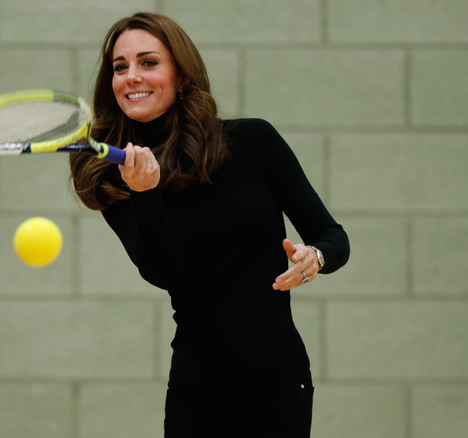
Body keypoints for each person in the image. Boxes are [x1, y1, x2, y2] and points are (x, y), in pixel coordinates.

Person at [69, 12, 349, 437]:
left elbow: (333, 236)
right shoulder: (111, 173)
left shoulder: (253, 141)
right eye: (120, 67)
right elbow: (164, 273)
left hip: (277, 382)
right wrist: (144, 194)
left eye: (148, 62)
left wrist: (317, 256)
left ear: (181, 75)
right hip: (196, 388)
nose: (131, 76)